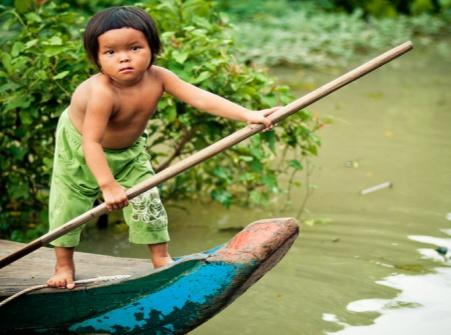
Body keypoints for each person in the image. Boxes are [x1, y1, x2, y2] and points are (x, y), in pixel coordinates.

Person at [47, 6, 276, 289]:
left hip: (129, 151)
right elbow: (90, 141)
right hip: (81, 148)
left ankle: (161, 260)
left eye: (134, 48)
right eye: (110, 52)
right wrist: (107, 186)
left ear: (152, 48)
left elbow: (200, 98)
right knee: (69, 203)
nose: (124, 58)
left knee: (147, 198)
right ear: (96, 58)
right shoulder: (102, 92)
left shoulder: (159, 77)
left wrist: (248, 114)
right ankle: (63, 264)